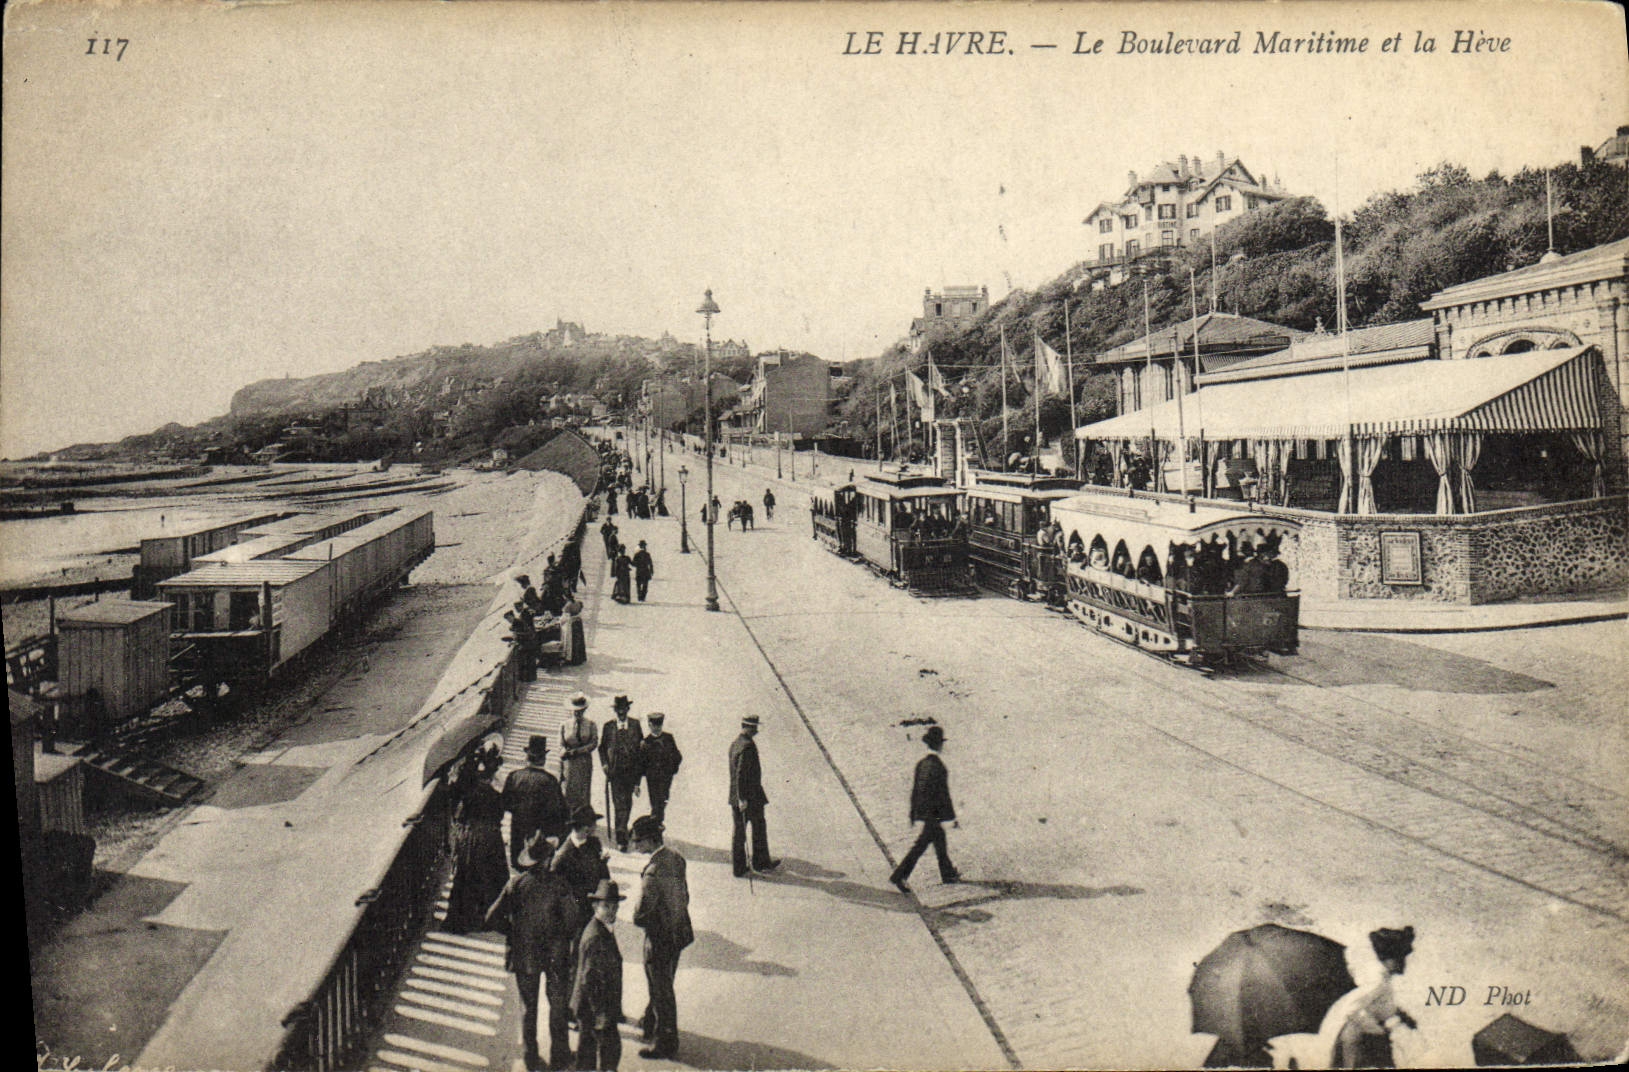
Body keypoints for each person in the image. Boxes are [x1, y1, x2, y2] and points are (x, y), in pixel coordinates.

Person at [485, 831, 580, 1072]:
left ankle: (531, 1059)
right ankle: (560, 1056)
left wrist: (513, 933)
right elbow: (573, 922)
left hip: (525, 955)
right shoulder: (560, 886)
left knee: (528, 1008)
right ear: (547, 860)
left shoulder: (516, 884)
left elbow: (491, 917)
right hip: (555, 956)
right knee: (558, 1006)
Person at [630, 817, 691, 1060]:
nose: (635, 846)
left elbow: (640, 913)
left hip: (659, 938)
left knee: (660, 987)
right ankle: (650, 1020)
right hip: (679, 933)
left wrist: (645, 921)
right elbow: (685, 896)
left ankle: (665, 1041)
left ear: (649, 840)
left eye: (638, 841)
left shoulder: (652, 873)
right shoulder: (676, 857)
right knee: (665, 979)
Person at [1329, 927, 1418, 1069]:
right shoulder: (1377, 981)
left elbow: (1377, 1005)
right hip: (1360, 1041)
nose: (1404, 964)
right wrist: (1377, 1029)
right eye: (1399, 959)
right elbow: (1351, 1009)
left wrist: (1398, 1014)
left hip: (1367, 1039)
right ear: (1389, 959)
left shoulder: (1383, 980)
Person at [444, 740, 509, 933]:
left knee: (466, 875)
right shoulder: (496, 793)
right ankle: (490, 916)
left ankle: (464, 918)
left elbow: (459, 814)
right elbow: (500, 814)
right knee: (493, 875)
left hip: (471, 836)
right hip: (490, 836)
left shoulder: (468, 791)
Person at [888, 725, 960, 891]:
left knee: (939, 841)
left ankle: (948, 873)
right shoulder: (939, 766)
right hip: (933, 814)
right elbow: (943, 794)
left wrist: (913, 813)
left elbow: (915, 790)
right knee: (921, 845)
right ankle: (899, 876)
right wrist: (951, 817)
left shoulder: (922, 764)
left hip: (925, 813)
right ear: (939, 745)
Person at [570, 880, 626, 1072]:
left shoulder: (601, 928)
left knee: (588, 1054)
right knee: (609, 1053)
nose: (613, 911)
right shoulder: (595, 936)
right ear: (595, 906)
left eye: (615, 906)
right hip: (595, 1007)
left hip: (591, 1007)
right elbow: (590, 979)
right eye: (607, 906)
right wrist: (601, 1017)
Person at [502, 734, 570, 869]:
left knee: (518, 870)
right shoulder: (549, 781)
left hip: (518, 835)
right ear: (543, 759)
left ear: (527, 757)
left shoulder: (514, 776)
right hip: (539, 841)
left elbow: (505, 803)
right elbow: (559, 811)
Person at [728, 715, 778, 877]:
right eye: (754, 728)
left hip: (739, 797)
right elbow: (741, 773)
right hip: (750, 797)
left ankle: (740, 867)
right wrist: (743, 798)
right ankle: (760, 863)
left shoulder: (735, 743)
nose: (756, 732)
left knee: (741, 831)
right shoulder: (747, 746)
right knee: (757, 829)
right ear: (747, 728)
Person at [598, 696, 645, 851]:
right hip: (615, 773)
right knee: (619, 805)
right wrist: (605, 764)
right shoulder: (608, 727)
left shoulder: (635, 726)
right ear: (615, 711)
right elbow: (602, 748)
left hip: (631, 772)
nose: (621, 712)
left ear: (627, 709)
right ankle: (621, 838)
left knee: (627, 804)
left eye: (623, 709)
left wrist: (638, 781)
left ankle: (622, 829)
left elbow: (641, 752)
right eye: (618, 710)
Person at [639, 713, 682, 824]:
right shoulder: (646, 742)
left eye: (659, 725)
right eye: (654, 725)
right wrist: (644, 775)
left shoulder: (668, 738)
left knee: (662, 801)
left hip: (665, 777)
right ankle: (656, 824)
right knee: (655, 802)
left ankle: (657, 823)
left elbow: (677, 756)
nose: (657, 728)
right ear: (649, 725)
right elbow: (641, 762)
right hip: (652, 778)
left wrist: (671, 770)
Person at [559, 695, 599, 811]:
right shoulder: (564, 725)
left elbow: (594, 742)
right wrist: (563, 752)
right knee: (569, 787)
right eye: (575, 711)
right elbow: (560, 743)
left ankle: (582, 813)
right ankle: (569, 814)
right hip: (569, 761)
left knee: (583, 788)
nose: (578, 713)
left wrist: (579, 751)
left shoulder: (591, 724)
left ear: (584, 710)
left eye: (580, 711)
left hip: (584, 760)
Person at [506, 609, 538, 683]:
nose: (509, 620)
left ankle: (526, 679)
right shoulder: (517, 622)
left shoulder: (517, 622)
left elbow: (522, 634)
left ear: (512, 616)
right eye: (507, 619)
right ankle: (528, 678)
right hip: (528, 642)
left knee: (526, 661)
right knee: (529, 661)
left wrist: (516, 638)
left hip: (528, 643)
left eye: (509, 618)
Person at [560, 591, 587, 666]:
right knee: (578, 642)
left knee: (570, 642)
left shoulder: (567, 606)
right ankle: (579, 658)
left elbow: (565, 618)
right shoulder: (578, 603)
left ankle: (570, 658)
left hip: (570, 625)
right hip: (577, 623)